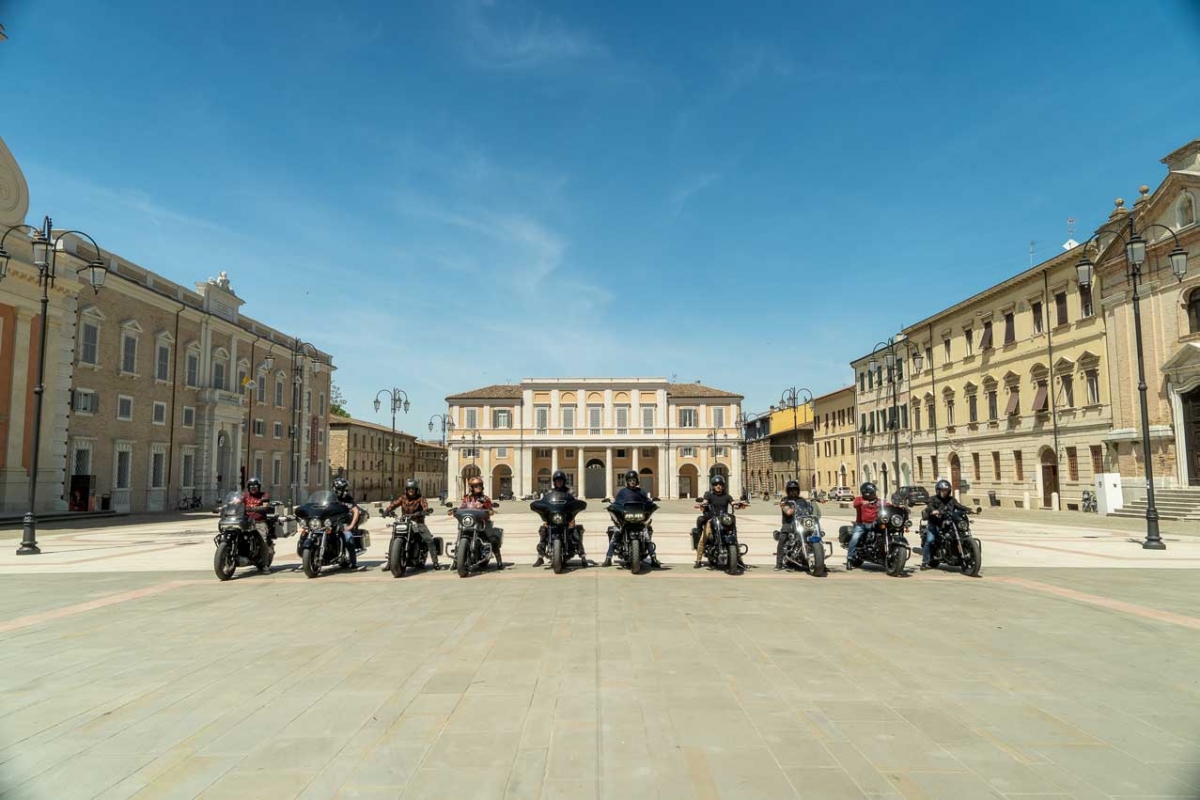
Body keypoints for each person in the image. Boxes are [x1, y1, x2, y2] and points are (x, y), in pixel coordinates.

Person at [606, 470, 659, 568]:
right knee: (616, 534)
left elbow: (647, 502)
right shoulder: (622, 492)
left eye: (634, 480)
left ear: (637, 481)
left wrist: (652, 505)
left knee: (646, 536)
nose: (632, 482)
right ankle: (608, 558)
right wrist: (612, 507)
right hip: (626, 520)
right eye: (630, 480)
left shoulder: (641, 491)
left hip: (639, 520)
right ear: (627, 481)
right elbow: (617, 503)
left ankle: (654, 558)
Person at [384, 478, 441, 570]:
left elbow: (425, 506)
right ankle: (390, 562)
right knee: (393, 538)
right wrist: (387, 510)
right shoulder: (403, 498)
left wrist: (423, 512)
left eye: (413, 489)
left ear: (416, 490)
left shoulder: (420, 498)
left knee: (429, 540)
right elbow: (394, 504)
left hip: (418, 522)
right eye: (409, 489)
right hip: (405, 521)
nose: (411, 490)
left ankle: (435, 562)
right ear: (406, 490)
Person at [534, 470, 586, 568]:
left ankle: (583, 556)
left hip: (567, 518)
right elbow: (544, 502)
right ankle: (540, 557)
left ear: (564, 481)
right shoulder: (550, 493)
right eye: (557, 480)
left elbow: (574, 502)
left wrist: (578, 505)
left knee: (575, 533)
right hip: (553, 518)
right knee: (543, 530)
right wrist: (538, 505)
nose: (559, 482)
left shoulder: (569, 492)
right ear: (554, 482)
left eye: (561, 480)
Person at [451, 476, 504, 570]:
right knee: (460, 536)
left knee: (492, 538)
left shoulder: (485, 498)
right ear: (471, 487)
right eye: (475, 486)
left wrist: (489, 510)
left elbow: (490, 509)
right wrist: (455, 510)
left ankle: (499, 560)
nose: (478, 487)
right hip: (470, 522)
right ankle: (456, 560)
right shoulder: (467, 498)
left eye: (479, 485)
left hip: (483, 522)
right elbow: (462, 507)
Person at [694, 474, 744, 568]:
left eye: (720, 484)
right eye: (716, 484)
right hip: (712, 519)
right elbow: (705, 502)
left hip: (723, 520)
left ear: (723, 485)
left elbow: (733, 503)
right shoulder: (709, 495)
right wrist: (702, 505)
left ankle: (739, 559)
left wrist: (738, 505)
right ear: (713, 486)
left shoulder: (727, 496)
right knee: (703, 538)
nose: (718, 486)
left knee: (734, 537)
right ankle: (698, 560)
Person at [922, 478, 969, 570]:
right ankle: (925, 561)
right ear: (938, 490)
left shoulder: (951, 499)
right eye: (942, 490)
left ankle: (959, 555)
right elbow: (929, 506)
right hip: (935, 523)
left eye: (946, 490)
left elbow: (958, 506)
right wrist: (933, 511)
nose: (944, 492)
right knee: (930, 540)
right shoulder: (933, 499)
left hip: (949, 522)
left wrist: (968, 510)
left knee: (959, 535)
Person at [776, 479, 820, 570]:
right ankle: (779, 563)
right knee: (783, 537)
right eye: (791, 490)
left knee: (814, 533)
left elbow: (808, 509)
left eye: (795, 490)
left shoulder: (802, 500)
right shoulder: (785, 501)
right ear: (788, 491)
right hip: (789, 523)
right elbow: (787, 511)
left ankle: (820, 561)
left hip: (802, 522)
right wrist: (791, 509)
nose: (793, 492)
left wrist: (812, 507)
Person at [846, 481, 880, 570]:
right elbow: (855, 504)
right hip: (861, 525)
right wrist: (863, 502)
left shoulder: (876, 500)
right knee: (854, 539)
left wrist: (896, 506)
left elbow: (886, 504)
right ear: (867, 493)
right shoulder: (859, 499)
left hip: (874, 524)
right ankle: (850, 558)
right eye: (873, 492)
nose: (874, 494)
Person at [333, 478, 364, 570]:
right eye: (344, 489)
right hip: (330, 523)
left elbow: (356, 511)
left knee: (349, 537)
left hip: (343, 523)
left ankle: (353, 562)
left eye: (346, 489)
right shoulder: (331, 497)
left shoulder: (348, 498)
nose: (346, 491)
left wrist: (351, 526)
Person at [242, 477, 276, 545]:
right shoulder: (245, 495)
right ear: (248, 487)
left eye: (255, 486)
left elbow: (265, 506)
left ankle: (265, 550)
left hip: (259, 522)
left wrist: (253, 508)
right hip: (246, 522)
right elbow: (237, 501)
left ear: (259, 487)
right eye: (251, 486)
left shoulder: (264, 495)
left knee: (262, 540)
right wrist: (231, 503)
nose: (253, 487)